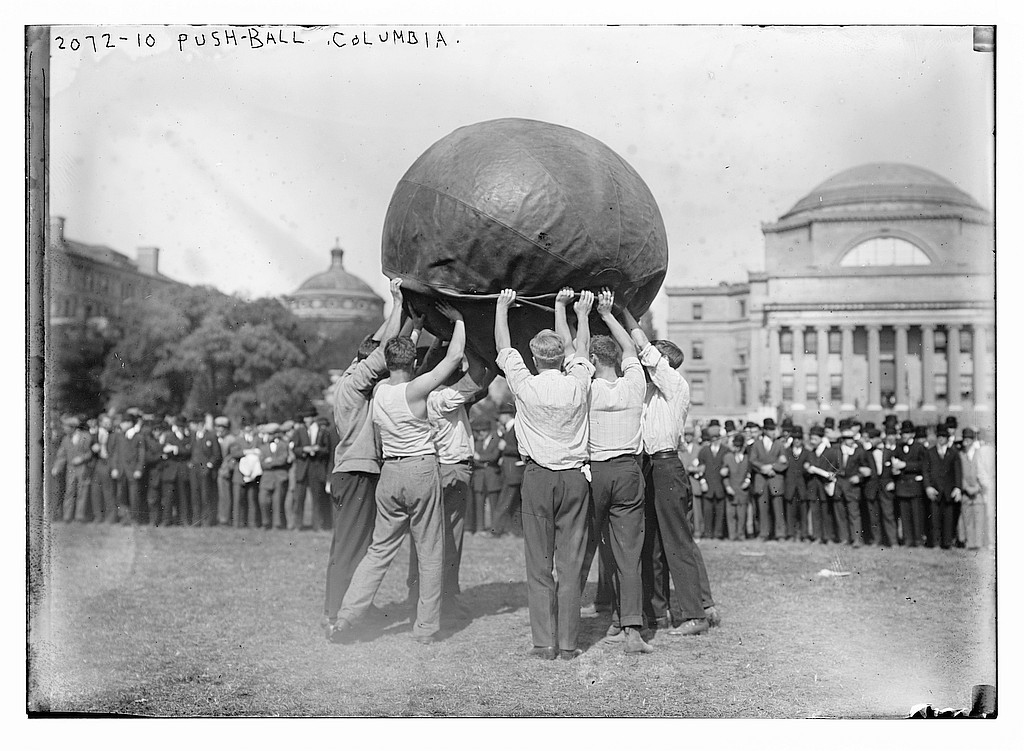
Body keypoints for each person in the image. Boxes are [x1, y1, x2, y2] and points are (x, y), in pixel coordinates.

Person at [329, 296, 467, 645]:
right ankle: (426, 627)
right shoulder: (416, 390)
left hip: (389, 474)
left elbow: (389, 359)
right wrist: (459, 320)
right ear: (414, 361)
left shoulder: (376, 391)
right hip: (420, 469)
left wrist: (412, 329)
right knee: (430, 551)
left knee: (378, 551)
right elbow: (453, 358)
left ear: (386, 363)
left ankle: (347, 616)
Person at [495, 287, 594, 660]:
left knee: (538, 563)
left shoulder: (525, 384)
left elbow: (504, 347)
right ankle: (568, 644)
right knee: (570, 564)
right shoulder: (578, 382)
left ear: (535, 358)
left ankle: (543, 642)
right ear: (562, 357)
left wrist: (502, 308)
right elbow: (580, 347)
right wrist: (570, 312)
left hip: (538, 477)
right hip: (574, 478)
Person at [619, 307, 716, 637]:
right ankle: (657, 612)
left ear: (665, 364)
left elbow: (642, 347)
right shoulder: (648, 393)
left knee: (676, 542)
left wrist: (624, 313)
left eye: (653, 359)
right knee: (652, 545)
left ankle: (695, 614)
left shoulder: (675, 385)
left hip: (666, 465)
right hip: (648, 466)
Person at [323, 280, 408, 641]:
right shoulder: (359, 380)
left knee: (351, 543)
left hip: (351, 471)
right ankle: (336, 614)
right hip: (358, 471)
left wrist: (401, 315)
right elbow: (384, 352)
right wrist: (399, 305)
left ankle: (343, 608)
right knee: (351, 546)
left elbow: (378, 343)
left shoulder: (348, 376)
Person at [578, 289, 653, 654]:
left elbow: (576, 352)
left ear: (593, 360)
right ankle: (631, 627)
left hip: (595, 472)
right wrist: (609, 315)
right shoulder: (634, 384)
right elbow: (630, 348)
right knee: (628, 553)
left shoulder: (585, 388)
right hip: (628, 471)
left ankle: (566, 624)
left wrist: (582, 315)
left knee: (582, 549)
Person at [407, 343, 491, 620]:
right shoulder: (442, 398)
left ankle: (424, 596)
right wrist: (478, 347)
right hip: (451, 469)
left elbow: (478, 386)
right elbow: (478, 375)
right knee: (448, 539)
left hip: (437, 468)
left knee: (429, 538)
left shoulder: (421, 397)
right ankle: (441, 601)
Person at [291, 407, 333, 531]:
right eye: (305, 417)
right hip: (303, 469)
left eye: (309, 417)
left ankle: (317, 525)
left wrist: (318, 449)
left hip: (316, 468)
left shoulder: (322, 431)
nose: (306, 420)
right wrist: (304, 450)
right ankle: (298, 525)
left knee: (317, 498)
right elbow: (295, 449)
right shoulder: (299, 431)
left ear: (314, 417)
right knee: (299, 498)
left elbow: (327, 449)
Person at [825, 426, 866, 547]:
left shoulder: (859, 451)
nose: (850, 441)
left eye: (851, 438)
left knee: (854, 513)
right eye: (847, 438)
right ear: (842, 439)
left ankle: (857, 539)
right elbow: (830, 466)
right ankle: (844, 538)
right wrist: (831, 474)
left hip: (852, 486)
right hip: (839, 485)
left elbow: (865, 468)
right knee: (840, 513)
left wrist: (859, 477)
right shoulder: (836, 451)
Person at [924, 424, 963, 550]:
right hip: (934, 491)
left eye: (944, 436)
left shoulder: (953, 453)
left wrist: (958, 488)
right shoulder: (930, 452)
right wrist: (928, 487)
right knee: (934, 518)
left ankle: (947, 543)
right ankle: (935, 543)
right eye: (939, 436)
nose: (941, 438)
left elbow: (958, 471)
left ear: (947, 438)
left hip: (948, 491)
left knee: (948, 518)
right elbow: (926, 471)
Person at [749, 418, 788, 541]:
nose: (773, 432)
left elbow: (784, 463)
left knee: (778, 509)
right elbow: (752, 460)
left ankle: (780, 534)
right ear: (765, 430)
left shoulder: (779, 444)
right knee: (763, 508)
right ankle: (763, 533)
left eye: (774, 429)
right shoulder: (757, 444)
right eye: (770, 429)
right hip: (761, 480)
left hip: (775, 479)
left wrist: (771, 467)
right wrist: (763, 468)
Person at [52, 416, 94, 523]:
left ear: (73, 427)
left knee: (82, 492)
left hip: (83, 468)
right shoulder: (66, 439)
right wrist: (57, 467)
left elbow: (90, 453)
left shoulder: (86, 437)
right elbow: (61, 456)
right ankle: (67, 517)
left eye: (66, 427)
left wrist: (81, 458)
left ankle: (80, 516)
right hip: (70, 469)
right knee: (69, 492)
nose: (64, 429)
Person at [491, 402, 524, 538]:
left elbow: (521, 449)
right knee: (515, 503)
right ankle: (516, 531)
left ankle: (496, 530)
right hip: (512, 471)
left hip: (513, 471)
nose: (499, 419)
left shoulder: (516, 428)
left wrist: (505, 448)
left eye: (500, 415)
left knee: (504, 501)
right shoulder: (509, 429)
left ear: (506, 415)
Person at [892, 420, 927, 547]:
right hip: (902, 486)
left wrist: (906, 465)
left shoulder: (919, 447)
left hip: (914, 486)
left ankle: (918, 539)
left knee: (916, 514)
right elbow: (894, 461)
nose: (904, 436)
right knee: (905, 514)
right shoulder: (898, 447)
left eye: (907, 433)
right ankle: (908, 539)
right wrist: (894, 469)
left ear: (913, 434)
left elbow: (923, 465)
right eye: (903, 433)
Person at [862, 428, 898, 548]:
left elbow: (896, 470)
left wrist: (893, 482)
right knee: (874, 516)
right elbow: (862, 466)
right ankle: (876, 539)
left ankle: (893, 541)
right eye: (869, 439)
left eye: (873, 438)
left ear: (879, 438)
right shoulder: (867, 453)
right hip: (871, 488)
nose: (871, 441)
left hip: (886, 488)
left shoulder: (889, 452)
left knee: (888, 514)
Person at [109, 412, 146, 525]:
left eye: (124, 422)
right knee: (121, 495)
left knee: (134, 496)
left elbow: (141, 455)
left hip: (133, 471)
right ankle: (124, 518)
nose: (122, 425)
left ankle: (135, 518)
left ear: (130, 423)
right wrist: (114, 468)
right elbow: (115, 453)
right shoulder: (119, 436)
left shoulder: (138, 436)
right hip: (121, 471)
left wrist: (139, 469)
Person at [469, 416, 501, 534]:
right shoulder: (477, 442)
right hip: (479, 478)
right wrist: (485, 461)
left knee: (494, 504)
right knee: (479, 504)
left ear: (487, 430)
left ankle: (494, 529)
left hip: (492, 477)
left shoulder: (496, 440)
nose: (479, 433)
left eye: (481, 431)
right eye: (477, 431)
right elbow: (473, 458)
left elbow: (494, 456)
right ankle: (480, 528)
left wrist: (480, 458)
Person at [188, 412, 221, 527]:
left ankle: (207, 520)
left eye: (194, 423)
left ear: (200, 424)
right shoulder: (193, 436)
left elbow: (216, 454)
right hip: (194, 469)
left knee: (205, 495)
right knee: (195, 495)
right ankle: (196, 520)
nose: (192, 426)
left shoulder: (211, 436)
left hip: (205, 470)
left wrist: (209, 465)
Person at [160, 415, 192, 526]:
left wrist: (175, 448)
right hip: (170, 471)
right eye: (179, 426)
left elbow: (189, 451)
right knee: (168, 497)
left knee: (183, 497)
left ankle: (183, 519)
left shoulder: (188, 438)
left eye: (182, 426)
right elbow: (164, 450)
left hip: (182, 471)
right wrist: (177, 450)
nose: (181, 428)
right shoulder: (169, 437)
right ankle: (166, 520)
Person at [258, 423, 291, 530]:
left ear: (276, 434)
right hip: (267, 477)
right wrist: (273, 462)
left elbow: (283, 460)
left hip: (280, 476)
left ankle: (277, 524)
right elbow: (262, 463)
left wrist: (270, 461)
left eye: (269, 434)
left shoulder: (283, 445)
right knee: (263, 499)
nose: (267, 436)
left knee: (277, 501)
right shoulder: (263, 447)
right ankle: (265, 522)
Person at [697, 426, 728, 540]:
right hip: (708, 486)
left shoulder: (726, 450)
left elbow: (728, 466)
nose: (715, 439)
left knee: (720, 511)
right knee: (708, 511)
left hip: (720, 486)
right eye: (712, 438)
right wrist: (702, 482)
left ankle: (718, 534)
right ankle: (708, 533)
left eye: (717, 437)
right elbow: (700, 468)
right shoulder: (704, 451)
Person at [231, 421, 263, 528]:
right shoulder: (237, 440)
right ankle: (237, 523)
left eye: (250, 429)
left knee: (252, 499)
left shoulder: (257, 440)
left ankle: (252, 523)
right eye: (246, 429)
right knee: (238, 500)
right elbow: (234, 453)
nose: (248, 431)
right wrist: (247, 452)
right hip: (239, 475)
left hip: (253, 475)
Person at [782, 426, 810, 542]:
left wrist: (807, 468)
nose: (797, 440)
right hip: (790, 486)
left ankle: (804, 534)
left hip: (802, 487)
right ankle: (790, 534)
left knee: (803, 512)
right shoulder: (786, 452)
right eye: (795, 438)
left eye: (799, 438)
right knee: (790, 512)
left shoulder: (807, 453)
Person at [721, 433, 751, 541]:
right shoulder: (727, 457)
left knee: (742, 515)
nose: (737, 448)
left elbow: (750, 473)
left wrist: (747, 481)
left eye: (739, 446)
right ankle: (732, 535)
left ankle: (741, 535)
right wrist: (727, 487)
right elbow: (724, 474)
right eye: (736, 446)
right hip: (731, 490)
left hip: (743, 491)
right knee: (731, 514)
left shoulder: (748, 458)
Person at [214, 417, 237, 526]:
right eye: (217, 427)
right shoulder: (219, 438)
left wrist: (227, 469)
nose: (219, 429)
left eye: (222, 427)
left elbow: (232, 457)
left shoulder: (230, 440)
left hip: (225, 471)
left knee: (225, 495)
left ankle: (224, 518)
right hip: (218, 470)